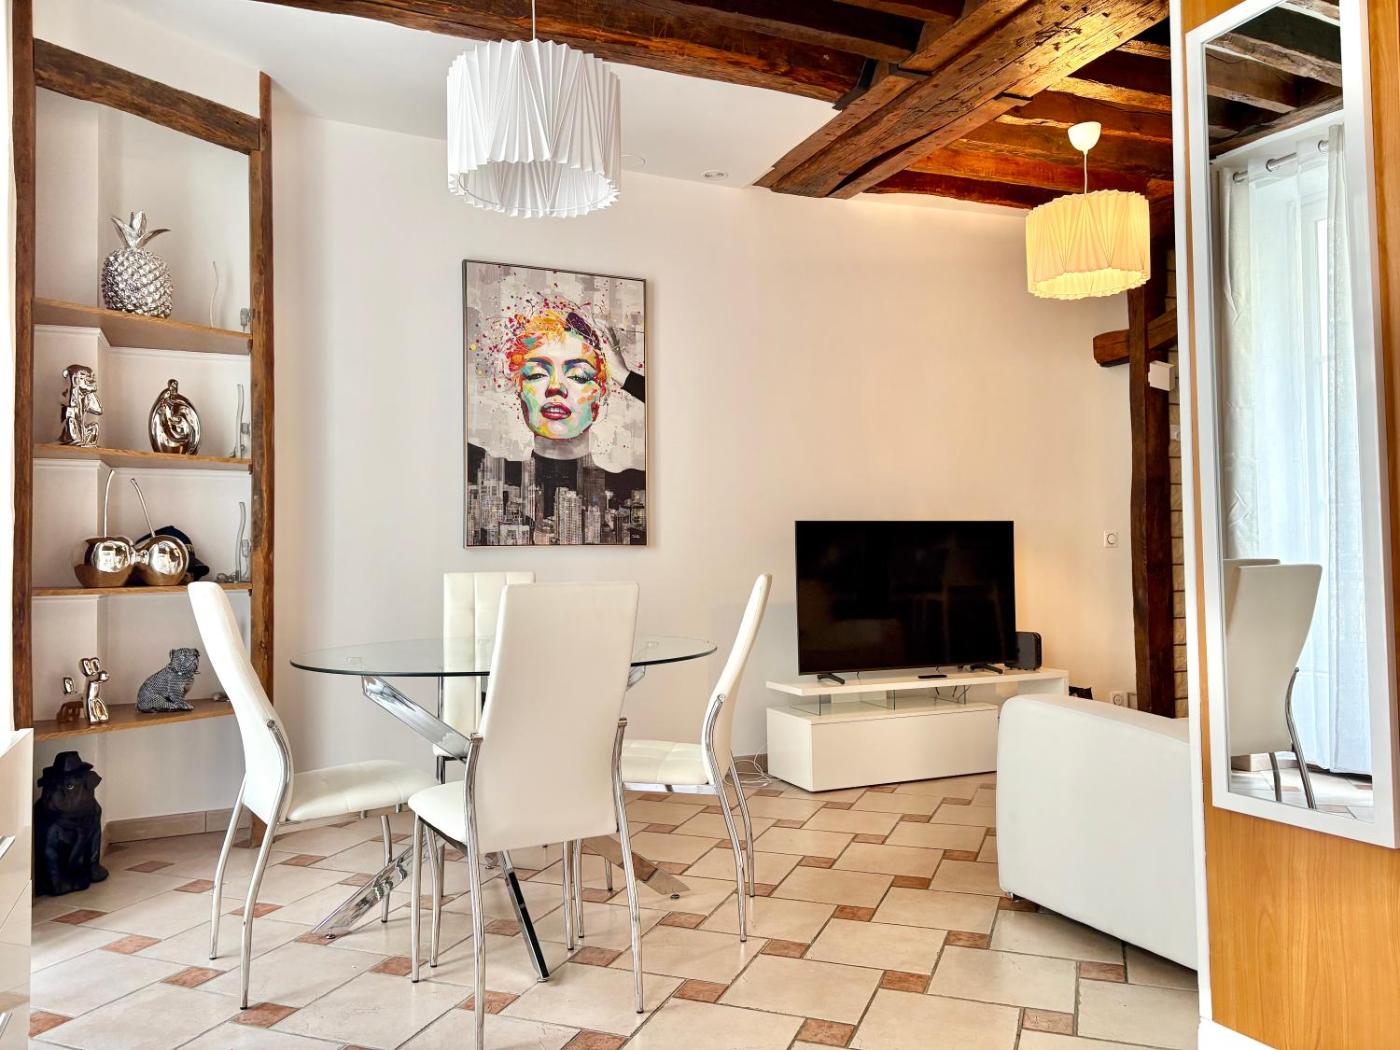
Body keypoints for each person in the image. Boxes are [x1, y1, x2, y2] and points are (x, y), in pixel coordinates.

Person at [468, 294, 644, 545]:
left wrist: (624, 376)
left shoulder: (634, 488)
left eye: (579, 376)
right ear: (520, 390)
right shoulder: (484, 472)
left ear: (601, 395)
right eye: (537, 374)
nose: (555, 387)